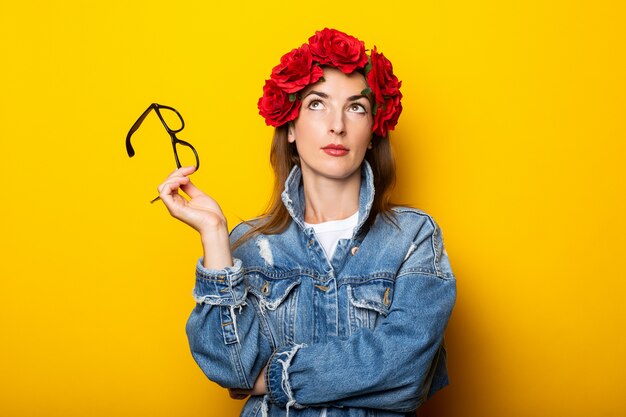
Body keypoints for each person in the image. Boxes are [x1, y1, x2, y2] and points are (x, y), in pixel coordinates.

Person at [156, 28, 456, 417]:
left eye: (356, 107)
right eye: (317, 104)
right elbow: (230, 369)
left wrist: (274, 377)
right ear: (291, 128)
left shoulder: (413, 237)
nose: (337, 125)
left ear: (372, 131)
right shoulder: (249, 244)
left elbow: (407, 373)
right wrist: (214, 235)